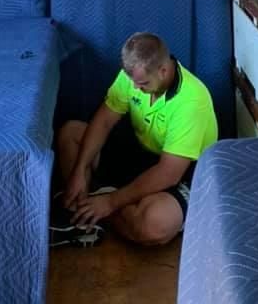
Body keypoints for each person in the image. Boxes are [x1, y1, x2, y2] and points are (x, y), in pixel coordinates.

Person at [51, 32, 218, 248]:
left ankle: (90, 211)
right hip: (140, 154)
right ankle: (92, 209)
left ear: (163, 70)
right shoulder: (133, 77)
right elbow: (103, 121)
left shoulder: (192, 100)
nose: (136, 88)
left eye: (143, 83)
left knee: (154, 224)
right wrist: (78, 172)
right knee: (70, 134)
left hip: (182, 172)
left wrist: (111, 202)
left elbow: (169, 173)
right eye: (133, 82)